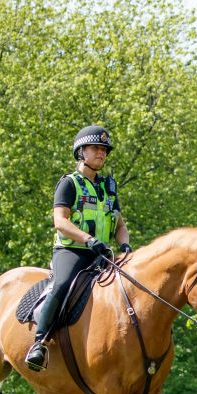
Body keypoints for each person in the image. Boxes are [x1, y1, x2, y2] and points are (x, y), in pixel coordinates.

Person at [24, 125, 131, 371]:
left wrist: (124, 244)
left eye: (104, 150)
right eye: (95, 148)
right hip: (72, 252)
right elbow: (60, 222)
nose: (101, 153)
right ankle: (39, 342)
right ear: (81, 152)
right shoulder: (69, 184)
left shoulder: (109, 188)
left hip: (103, 255)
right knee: (61, 285)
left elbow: (120, 224)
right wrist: (88, 239)